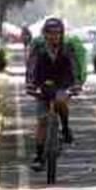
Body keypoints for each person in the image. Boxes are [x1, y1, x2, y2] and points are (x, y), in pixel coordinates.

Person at [27, 18, 77, 170]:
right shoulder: (39, 50)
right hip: (43, 86)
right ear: (45, 34)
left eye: (58, 33)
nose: (54, 36)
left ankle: (66, 128)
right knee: (42, 121)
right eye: (51, 33)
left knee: (62, 100)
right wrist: (30, 85)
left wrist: (75, 85)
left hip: (62, 85)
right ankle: (39, 155)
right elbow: (31, 69)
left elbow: (74, 68)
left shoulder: (67, 49)